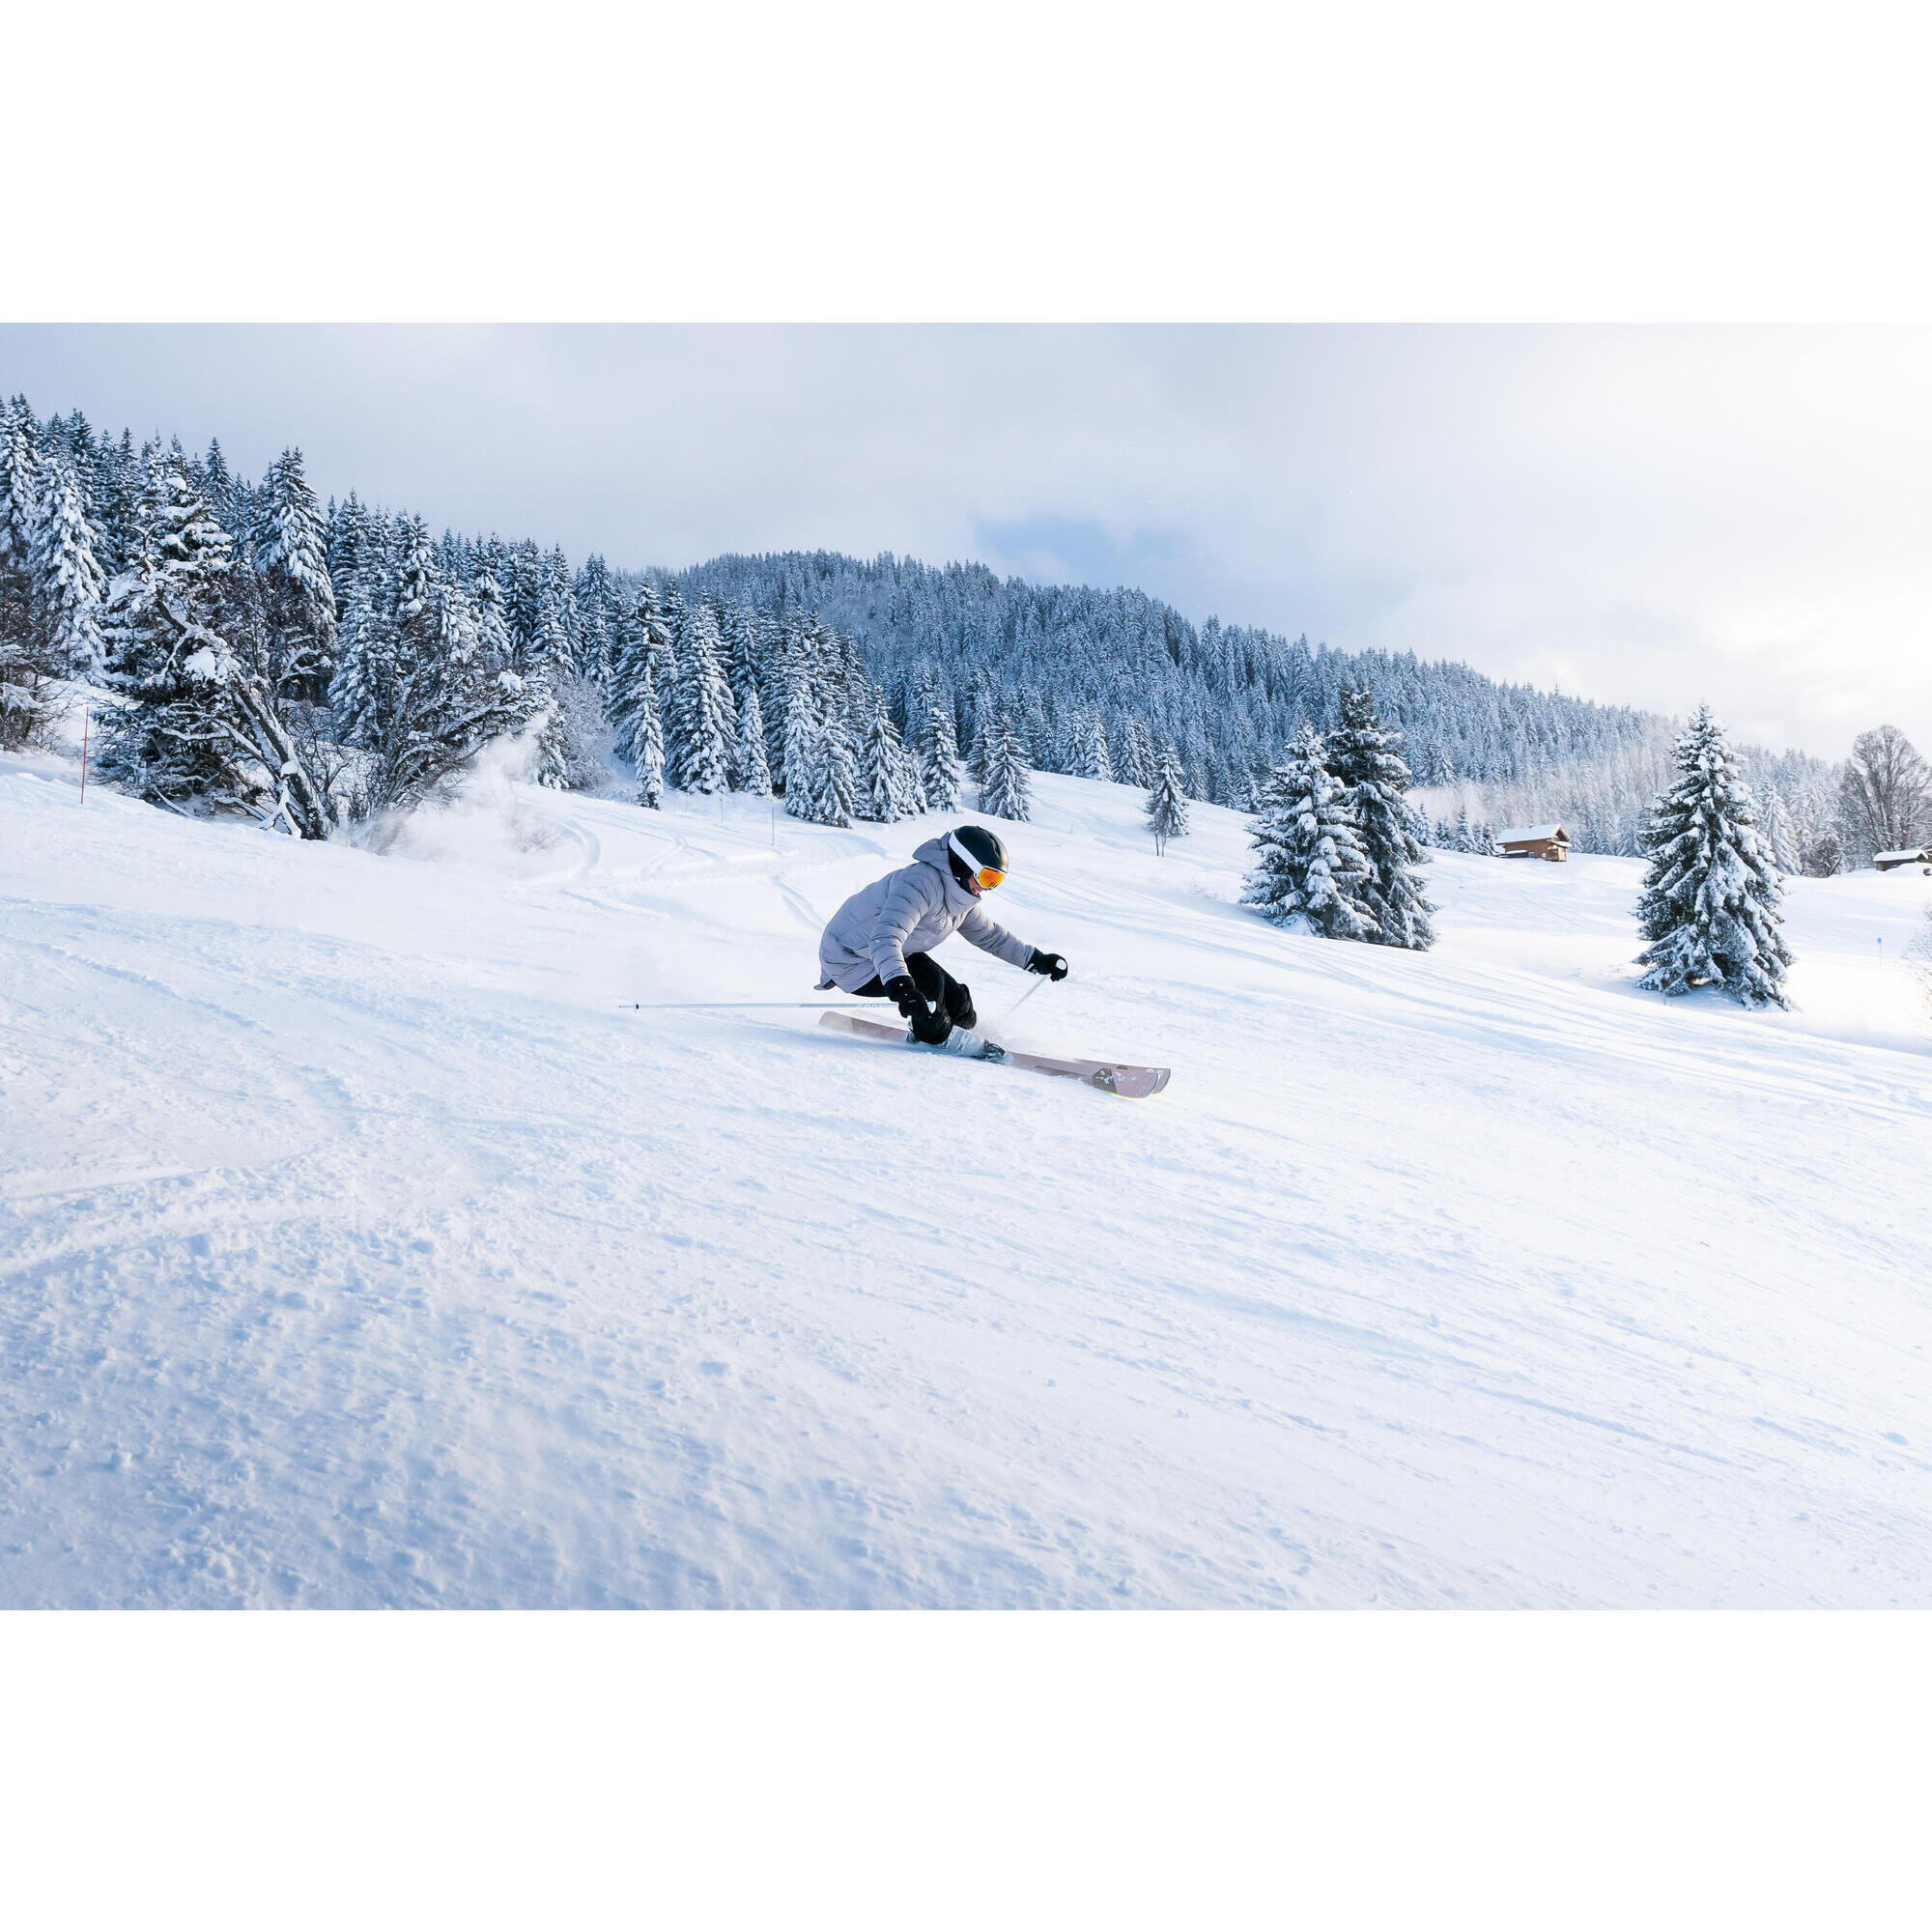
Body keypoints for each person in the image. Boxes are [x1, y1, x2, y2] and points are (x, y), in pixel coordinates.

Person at [817, 825, 1068, 1051]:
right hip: (848, 959)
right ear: (962, 865)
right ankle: (932, 1033)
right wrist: (903, 988)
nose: (988, 888)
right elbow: (885, 938)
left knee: (958, 999)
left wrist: (1036, 960)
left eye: (996, 880)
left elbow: (991, 936)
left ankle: (966, 1032)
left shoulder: (960, 897)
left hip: (888, 953)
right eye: (986, 877)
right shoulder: (918, 885)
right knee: (930, 987)